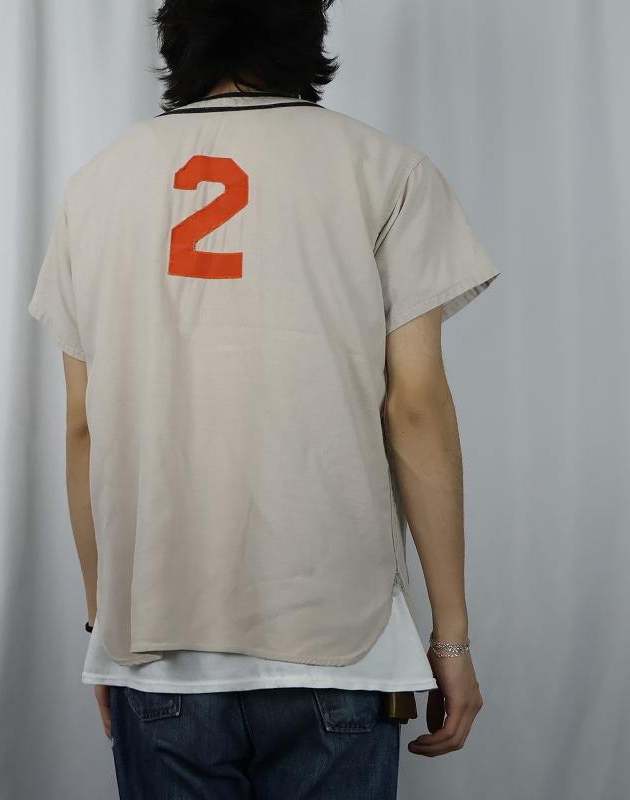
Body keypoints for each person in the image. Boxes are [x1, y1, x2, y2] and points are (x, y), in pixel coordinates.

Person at [28, 1, 498, 797]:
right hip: (339, 645)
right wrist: (449, 641)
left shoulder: (96, 185)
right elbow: (416, 407)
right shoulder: (387, 171)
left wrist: (104, 628)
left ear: (177, 35)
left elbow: (83, 427)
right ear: (306, 31)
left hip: (157, 646)